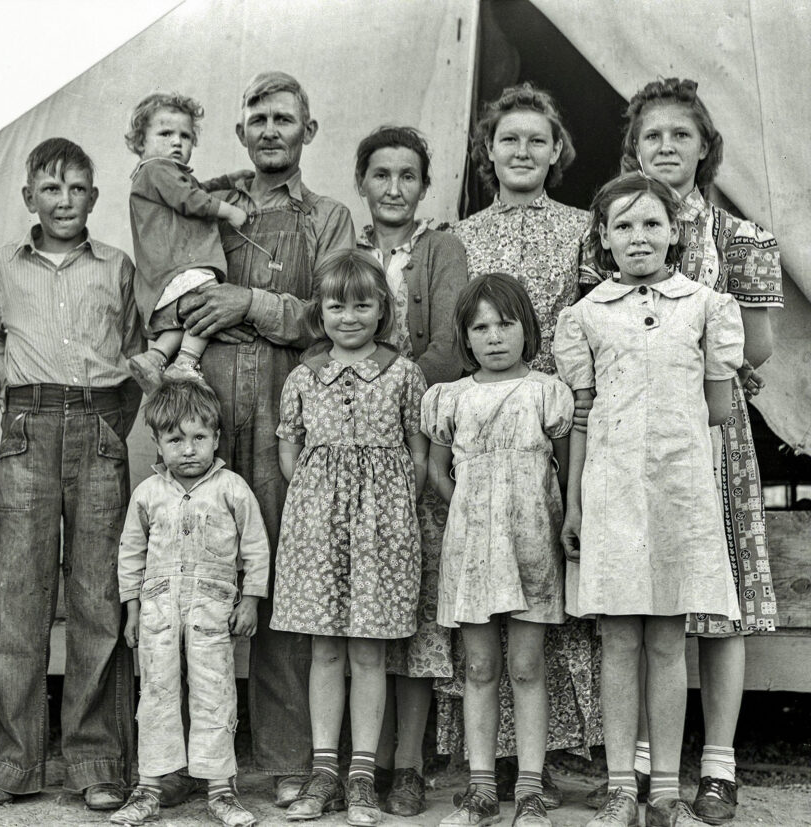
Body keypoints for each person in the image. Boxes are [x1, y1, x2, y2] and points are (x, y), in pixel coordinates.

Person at [581, 78, 783, 825]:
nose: (665, 147)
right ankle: (638, 762)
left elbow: (755, 349)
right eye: (652, 136)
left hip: (714, 438)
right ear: (634, 147)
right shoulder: (617, 225)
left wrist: (700, 388)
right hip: (629, 443)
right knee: (641, 598)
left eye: (680, 135)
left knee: (717, 602)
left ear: (705, 148)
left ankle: (719, 764)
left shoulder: (742, 239)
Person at [174, 70, 356, 807]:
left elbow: (338, 311)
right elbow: (168, 277)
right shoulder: (208, 203)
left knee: (282, 573)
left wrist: (251, 300)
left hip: (290, 393)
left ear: (308, 130)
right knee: (199, 567)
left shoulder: (329, 217)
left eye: (285, 118)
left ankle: (288, 753)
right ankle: (194, 754)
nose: (271, 129)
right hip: (210, 389)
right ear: (241, 130)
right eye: (258, 118)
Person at [556, 172, 744, 827]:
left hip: (674, 496)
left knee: (667, 642)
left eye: (651, 224)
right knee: (617, 641)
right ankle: (618, 788)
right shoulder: (585, 316)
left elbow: (717, 407)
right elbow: (582, 414)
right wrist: (577, 505)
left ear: (676, 233)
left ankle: (664, 791)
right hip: (611, 495)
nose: (639, 237)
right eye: (624, 226)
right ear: (604, 238)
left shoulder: (705, 306)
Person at [0, 137, 138, 810]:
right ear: (29, 197)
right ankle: (13, 763)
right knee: (21, 601)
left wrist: (107, 426)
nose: (64, 200)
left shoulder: (116, 267)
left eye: (77, 189)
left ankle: (96, 761)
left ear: (94, 197)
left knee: (98, 599)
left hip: (96, 430)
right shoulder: (4, 265)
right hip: (27, 433)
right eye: (51, 188)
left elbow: (136, 348)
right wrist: (1, 368)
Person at [441, 82, 600, 805]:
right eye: (510, 138)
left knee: (545, 614)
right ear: (487, 150)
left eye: (539, 139)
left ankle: (555, 757)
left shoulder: (582, 227)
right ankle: (485, 766)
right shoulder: (460, 235)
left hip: (555, 417)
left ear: (558, 149)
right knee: (482, 630)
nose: (524, 150)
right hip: (480, 421)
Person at [273, 249, 428, 827]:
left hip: (383, 529)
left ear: (382, 309)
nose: (349, 316)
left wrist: (384, 506)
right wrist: (321, 496)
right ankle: (324, 772)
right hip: (316, 527)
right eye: (337, 305)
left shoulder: (402, 372)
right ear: (321, 311)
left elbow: (417, 451)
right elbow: (290, 446)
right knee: (325, 648)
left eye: (363, 305)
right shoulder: (305, 375)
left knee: (369, 649)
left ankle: (362, 775)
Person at [423, 273, 573, 827]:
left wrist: (545, 519)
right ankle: (482, 788)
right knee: (481, 667)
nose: (493, 337)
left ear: (527, 329)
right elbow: (436, 472)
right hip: (472, 550)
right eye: (479, 327)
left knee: (528, 665)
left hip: (532, 545)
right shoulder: (449, 398)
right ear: (465, 338)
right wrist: (472, 507)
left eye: (505, 324)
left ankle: (530, 789)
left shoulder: (546, 392)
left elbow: (563, 467)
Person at [353, 125, 468, 816]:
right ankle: (356, 759)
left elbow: (450, 347)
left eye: (407, 175)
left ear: (424, 185)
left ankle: (408, 764)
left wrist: (384, 387)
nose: (393, 187)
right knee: (365, 607)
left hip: (418, 443)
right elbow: (322, 327)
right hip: (355, 456)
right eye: (380, 175)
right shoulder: (346, 250)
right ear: (362, 181)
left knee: (417, 611)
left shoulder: (441, 247)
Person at [111, 379, 270, 827]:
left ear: (216, 439)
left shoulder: (231, 489)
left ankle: (221, 789)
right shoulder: (147, 494)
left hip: (212, 611)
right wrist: (132, 611)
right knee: (157, 695)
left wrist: (251, 600)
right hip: (158, 609)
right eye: (175, 439)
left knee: (214, 694)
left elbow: (255, 549)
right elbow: (131, 553)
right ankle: (149, 787)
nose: (188, 450)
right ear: (157, 443)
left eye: (199, 438)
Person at [123, 92, 250, 392]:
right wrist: (229, 210)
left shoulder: (155, 176)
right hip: (183, 265)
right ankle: (186, 363)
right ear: (141, 142)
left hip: (165, 274)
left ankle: (155, 357)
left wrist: (226, 180)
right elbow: (190, 198)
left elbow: (194, 188)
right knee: (209, 305)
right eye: (165, 133)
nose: (177, 142)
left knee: (183, 321)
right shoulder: (157, 170)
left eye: (186, 135)